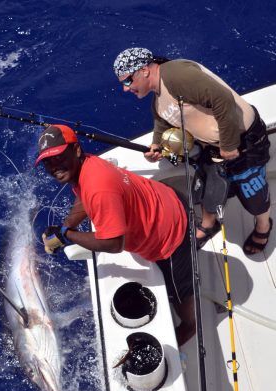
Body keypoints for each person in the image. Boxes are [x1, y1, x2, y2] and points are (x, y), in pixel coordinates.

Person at [35, 123, 195, 346]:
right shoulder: (87, 166)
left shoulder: (99, 188)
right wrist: (65, 227)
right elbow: (84, 196)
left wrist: (68, 235)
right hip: (169, 200)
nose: (54, 167)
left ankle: (189, 325)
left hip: (171, 238)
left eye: (59, 157)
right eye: (47, 162)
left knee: (179, 291)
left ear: (76, 150)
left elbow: (113, 243)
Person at [113, 47, 272, 254]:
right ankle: (208, 225)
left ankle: (264, 226)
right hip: (215, 149)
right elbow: (162, 121)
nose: (126, 89)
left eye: (127, 81)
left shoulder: (177, 75)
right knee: (206, 188)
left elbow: (222, 99)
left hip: (243, 142)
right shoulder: (157, 100)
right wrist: (157, 145)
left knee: (253, 194)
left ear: (143, 70)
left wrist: (228, 144)